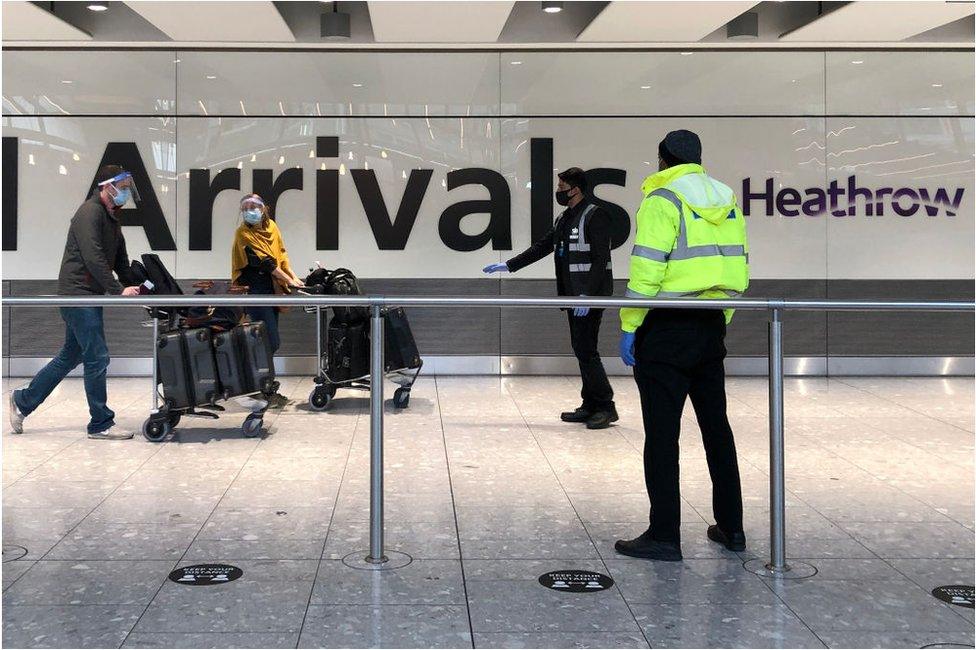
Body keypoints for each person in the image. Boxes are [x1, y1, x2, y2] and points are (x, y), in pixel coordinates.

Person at [614, 130, 750, 562]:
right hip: (711, 327)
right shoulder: (727, 198)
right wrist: (720, 318)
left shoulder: (663, 200)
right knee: (717, 430)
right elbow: (737, 265)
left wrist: (631, 324)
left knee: (661, 434)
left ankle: (664, 535)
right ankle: (731, 528)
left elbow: (647, 270)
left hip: (667, 328)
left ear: (662, 159)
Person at [8, 165, 143, 439]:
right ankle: (101, 423)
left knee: (72, 355)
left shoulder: (112, 220)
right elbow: (93, 257)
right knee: (97, 356)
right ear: (108, 187)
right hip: (77, 294)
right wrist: (117, 290)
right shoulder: (89, 212)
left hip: (89, 296)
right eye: (123, 187)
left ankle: (22, 401)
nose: (126, 193)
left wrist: (143, 283)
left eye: (129, 187)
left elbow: (120, 262)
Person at [484, 167, 617, 429]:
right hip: (572, 296)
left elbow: (601, 259)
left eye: (561, 188)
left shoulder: (595, 215)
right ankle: (590, 404)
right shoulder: (565, 218)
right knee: (581, 349)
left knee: (587, 350)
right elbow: (542, 247)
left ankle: (605, 406)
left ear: (575, 189)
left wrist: (587, 295)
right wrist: (509, 265)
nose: (558, 192)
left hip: (587, 297)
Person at [230, 194, 304, 406]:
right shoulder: (242, 233)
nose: (248, 211)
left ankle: (263, 388)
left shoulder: (272, 227)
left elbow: (281, 254)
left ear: (264, 209)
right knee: (269, 340)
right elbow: (266, 264)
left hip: (272, 289)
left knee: (268, 342)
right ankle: (257, 387)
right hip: (255, 291)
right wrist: (289, 279)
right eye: (244, 208)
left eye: (253, 207)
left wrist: (293, 276)